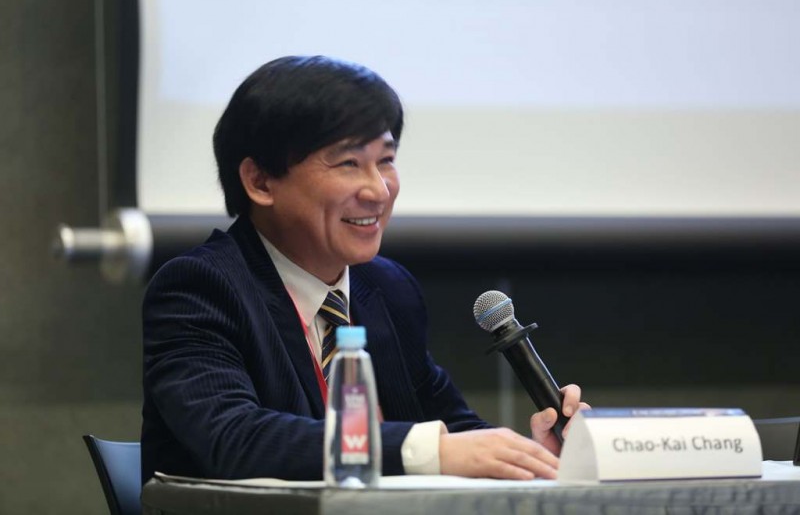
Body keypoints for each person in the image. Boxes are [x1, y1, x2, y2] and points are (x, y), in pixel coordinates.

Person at [141, 55, 587, 484]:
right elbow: (234, 438)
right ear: (260, 181)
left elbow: (453, 431)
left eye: (386, 161)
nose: (378, 190)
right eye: (348, 164)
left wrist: (532, 457)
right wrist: (433, 451)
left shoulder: (386, 288)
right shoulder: (202, 288)